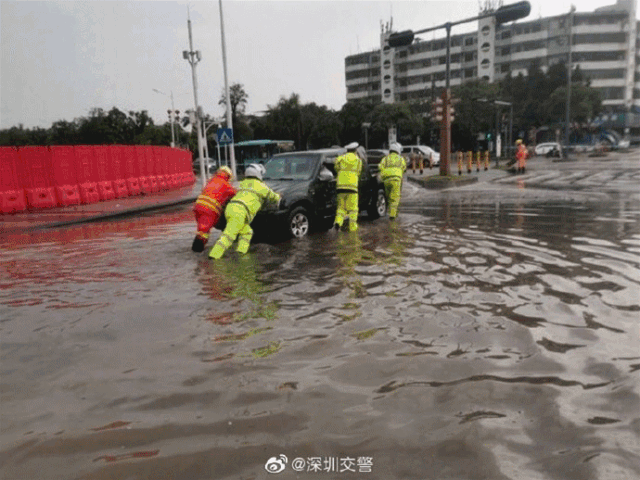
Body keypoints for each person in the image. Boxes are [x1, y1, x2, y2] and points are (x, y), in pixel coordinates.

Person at [208, 163, 280, 260]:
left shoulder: (242, 183)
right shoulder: (262, 186)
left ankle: (241, 251)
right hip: (240, 212)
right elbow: (274, 197)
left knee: (247, 232)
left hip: (231, 208)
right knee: (229, 235)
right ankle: (213, 256)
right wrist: (280, 197)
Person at [191, 166, 237, 253]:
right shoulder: (226, 185)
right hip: (209, 210)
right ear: (228, 176)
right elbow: (235, 193)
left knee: (201, 230)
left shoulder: (211, 181)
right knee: (203, 233)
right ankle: (197, 252)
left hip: (197, 207)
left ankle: (197, 249)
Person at [333, 142, 362, 232]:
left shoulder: (341, 158)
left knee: (341, 208)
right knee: (353, 210)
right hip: (352, 187)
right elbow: (359, 172)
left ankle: (338, 222)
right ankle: (352, 228)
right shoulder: (357, 160)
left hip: (340, 187)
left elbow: (336, 168)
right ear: (355, 150)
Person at [378, 142, 406, 220]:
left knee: (388, 197)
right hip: (396, 180)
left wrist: (384, 173)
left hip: (386, 180)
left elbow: (380, 166)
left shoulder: (385, 158)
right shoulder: (400, 159)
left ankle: (391, 211)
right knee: (395, 198)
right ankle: (392, 216)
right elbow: (404, 167)